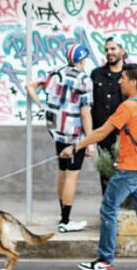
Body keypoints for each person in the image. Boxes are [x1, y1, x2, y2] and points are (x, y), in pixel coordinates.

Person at [68, 63, 137, 270]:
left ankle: (105, 260)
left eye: (123, 77)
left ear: (133, 81)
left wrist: (77, 146)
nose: (119, 81)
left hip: (129, 169)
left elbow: (102, 132)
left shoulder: (128, 107)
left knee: (108, 208)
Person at [25, 43, 93, 233]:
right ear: (82, 59)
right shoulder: (83, 80)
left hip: (57, 132)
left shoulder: (55, 72)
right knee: (72, 176)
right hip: (75, 134)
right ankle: (65, 221)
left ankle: (63, 214)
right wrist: (90, 142)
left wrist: (42, 106)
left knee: (62, 172)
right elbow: (85, 113)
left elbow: (30, 86)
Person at [90, 38, 126, 194]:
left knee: (125, 171)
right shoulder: (97, 74)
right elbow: (90, 104)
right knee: (106, 171)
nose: (109, 53)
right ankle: (108, 208)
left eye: (113, 49)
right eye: (107, 50)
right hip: (103, 131)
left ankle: (125, 206)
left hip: (125, 132)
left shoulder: (131, 73)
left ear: (122, 51)